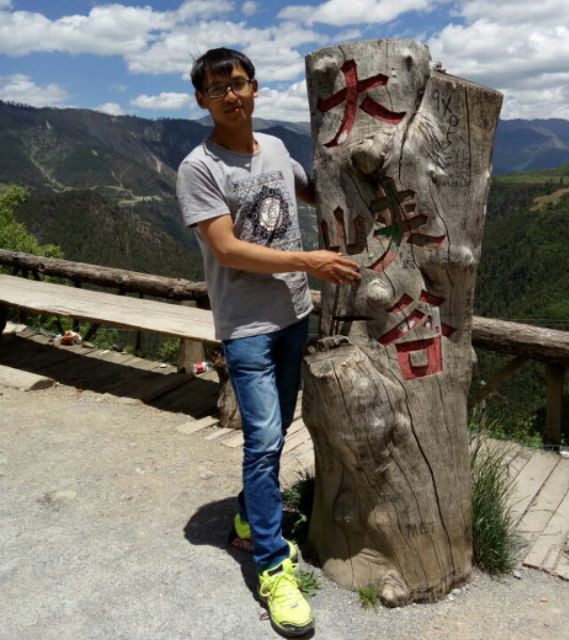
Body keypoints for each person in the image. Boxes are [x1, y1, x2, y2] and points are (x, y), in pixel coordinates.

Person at [176, 48, 360, 637]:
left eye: (238, 83)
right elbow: (227, 249)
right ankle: (274, 569)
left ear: (255, 87)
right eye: (217, 89)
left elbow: (313, 194)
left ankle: (247, 519)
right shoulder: (198, 167)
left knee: (275, 434)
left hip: (294, 315)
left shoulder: (277, 148)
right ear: (201, 100)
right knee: (262, 442)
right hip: (247, 328)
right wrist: (309, 259)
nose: (230, 96)